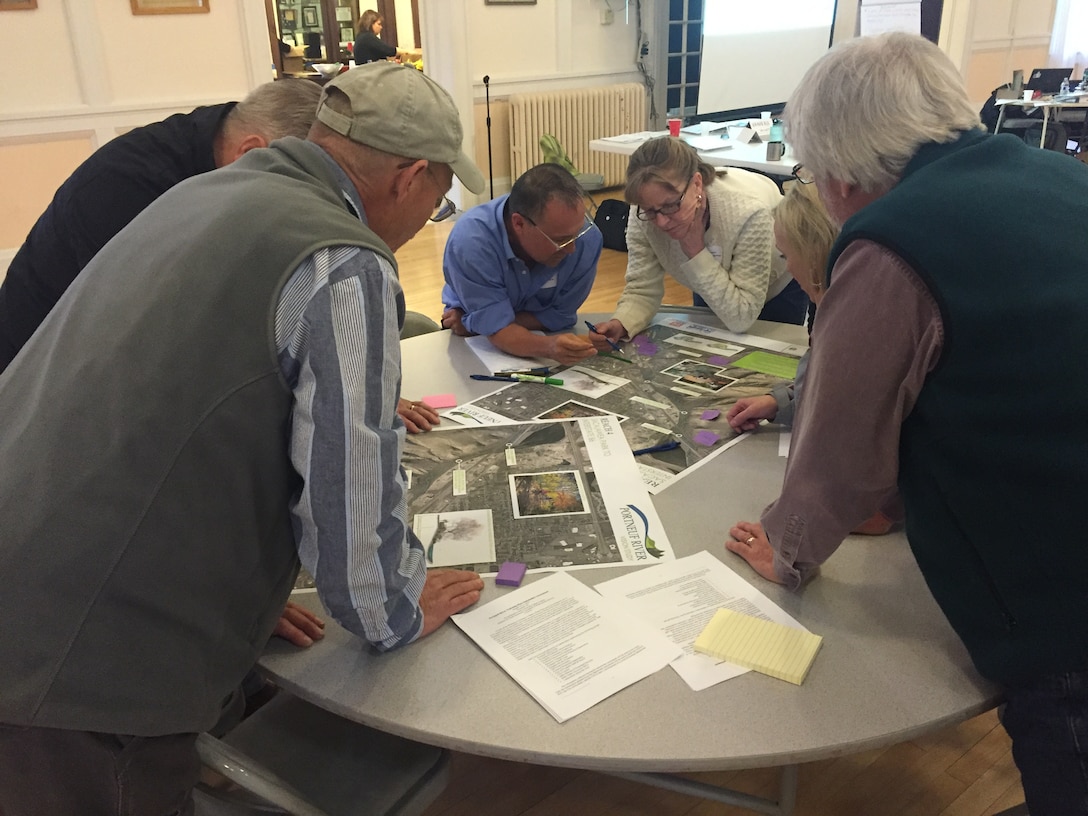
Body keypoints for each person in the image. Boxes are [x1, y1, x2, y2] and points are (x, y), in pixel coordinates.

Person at [0, 61, 486, 815]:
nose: (432, 213)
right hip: (78, 666)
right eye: (439, 195)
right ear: (411, 177)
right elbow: (350, 517)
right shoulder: (345, 262)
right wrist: (392, 607)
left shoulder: (202, 193)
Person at [724, 33, 1088, 815]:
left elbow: (840, 454)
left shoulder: (894, 237)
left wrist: (787, 551)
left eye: (815, 174)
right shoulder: (1061, 175)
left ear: (845, 171)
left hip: (1058, 600)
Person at [0, 78, 438, 431]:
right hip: (52, 408)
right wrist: (342, 398)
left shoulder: (224, 155)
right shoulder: (126, 193)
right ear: (254, 152)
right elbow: (177, 367)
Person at [725, 183, 896, 536]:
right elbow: (826, 384)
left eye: (786, 256)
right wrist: (782, 401)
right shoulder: (847, 302)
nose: (785, 267)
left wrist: (790, 537)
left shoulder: (865, 327)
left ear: (816, 256)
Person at [587, 137, 801, 350]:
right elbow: (642, 289)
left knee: (772, 362)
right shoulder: (642, 213)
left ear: (697, 184)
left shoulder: (748, 213)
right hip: (710, 276)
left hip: (778, 284)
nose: (661, 221)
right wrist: (622, 323)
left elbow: (741, 316)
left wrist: (696, 251)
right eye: (651, 211)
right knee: (712, 354)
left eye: (671, 205)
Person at [441, 162, 602, 365]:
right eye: (560, 240)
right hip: (472, 348)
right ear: (519, 224)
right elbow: (499, 330)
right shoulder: (471, 242)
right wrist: (548, 346)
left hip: (478, 332)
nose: (571, 249)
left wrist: (474, 322)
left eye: (577, 233)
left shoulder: (587, 240)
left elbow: (561, 316)